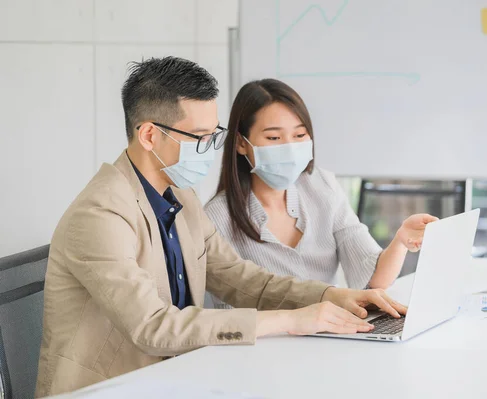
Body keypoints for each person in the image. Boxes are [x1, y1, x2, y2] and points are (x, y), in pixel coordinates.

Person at [35, 57, 406, 397]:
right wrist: (291, 320)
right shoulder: (99, 214)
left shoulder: (181, 195)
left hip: (177, 378)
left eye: (214, 135)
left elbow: (243, 280)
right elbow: (154, 327)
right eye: (199, 137)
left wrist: (329, 296)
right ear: (149, 135)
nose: (211, 149)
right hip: (111, 389)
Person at [204, 79, 438, 309]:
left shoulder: (322, 186)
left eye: (299, 135)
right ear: (241, 144)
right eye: (274, 138)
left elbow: (372, 279)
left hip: (331, 336)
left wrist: (400, 241)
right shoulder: (216, 218)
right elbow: (232, 310)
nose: (289, 148)